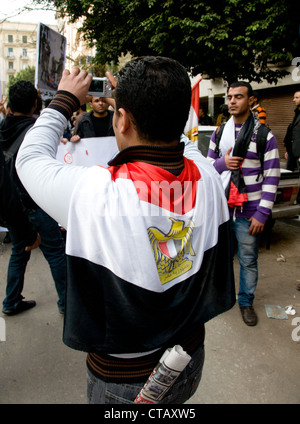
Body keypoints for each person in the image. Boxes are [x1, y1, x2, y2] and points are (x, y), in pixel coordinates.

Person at [16, 57, 235, 404]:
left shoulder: (94, 193)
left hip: (126, 381)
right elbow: (181, 139)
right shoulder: (207, 175)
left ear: (122, 119)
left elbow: (28, 159)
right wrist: (153, 106)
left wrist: (63, 100)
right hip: (190, 357)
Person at [207, 81, 280, 326]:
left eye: (238, 97)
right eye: (229, 97)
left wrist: (262, 213)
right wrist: (221, 164)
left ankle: (246, 301)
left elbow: (272, 176)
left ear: (250, 101)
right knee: (221, 257)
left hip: (249, 211)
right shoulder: (219, 133)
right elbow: (207, 167)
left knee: (248, 259)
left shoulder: (264, 135)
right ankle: (221, 297)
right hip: (223, 208)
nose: (232, 101)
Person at [0, 80, 67, 315]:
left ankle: (11, 302)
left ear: (9, 105)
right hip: (34, 203)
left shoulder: (4, 128)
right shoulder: (35, 131)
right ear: (35, 104)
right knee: (56, 253)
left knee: (20, 251)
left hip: (14, 208)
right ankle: (67, 304)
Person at [283, 90, 300, 175]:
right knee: (289, 175)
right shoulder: (297, 112)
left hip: (298, 152)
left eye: (297, 97)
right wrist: (288, 150)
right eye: (294, 97)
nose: (294, 100)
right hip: (292, 151)